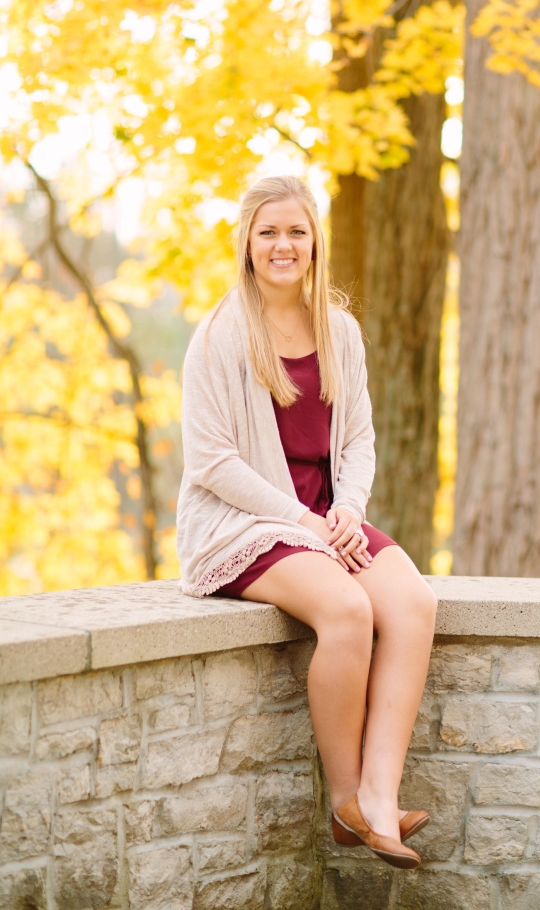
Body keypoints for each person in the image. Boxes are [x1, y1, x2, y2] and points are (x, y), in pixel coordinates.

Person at [177, 175, 438, 870]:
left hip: (325, 520)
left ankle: (381, 799)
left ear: (315, 240)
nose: (283, 244)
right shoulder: (218, 338)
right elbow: (211, 462)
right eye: (269, 232)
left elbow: (359, 440)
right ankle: (346, 802)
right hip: (244, 525)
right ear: (248, 244)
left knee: (411, 603)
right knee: (349, 611)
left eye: (296, 230)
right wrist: (303, 519)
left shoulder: (339, 331)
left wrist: (347, 507)